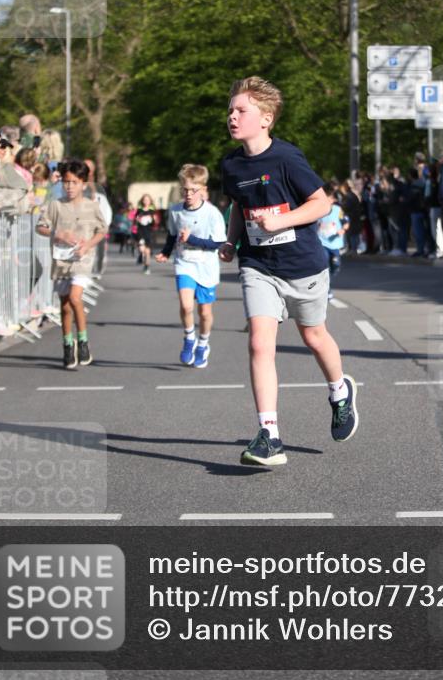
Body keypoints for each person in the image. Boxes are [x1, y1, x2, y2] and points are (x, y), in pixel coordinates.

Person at [220, 75, 358, 467]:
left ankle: (339, 392)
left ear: (265, 118)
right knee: (260, 343)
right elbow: (239, 206)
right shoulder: (230, 164)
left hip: (303, 266)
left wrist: (281, 222)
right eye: (230, 110)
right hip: (258, 264)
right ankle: (269, 434)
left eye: (241, 110)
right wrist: (231, 241)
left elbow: (321, 204)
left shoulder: (287, 158)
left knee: (314, 336)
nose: (232, 116)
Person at [36, 159, 107, 369]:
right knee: (65, 306)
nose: (70, 187)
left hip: (82, 260)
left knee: (76, 298)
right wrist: (57, 233)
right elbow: (40, 227)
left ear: (83, 184)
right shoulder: (55, 205)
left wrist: (88, 246)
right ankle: (68, 343)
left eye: (75, 182)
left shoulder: (91, 206)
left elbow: (101, 230)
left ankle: (83, 340)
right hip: (61, 261)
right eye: (67, 182)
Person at [156, 164, 226, 369]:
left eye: (193, 190)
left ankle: (203, 344)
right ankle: (189, 338)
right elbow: (171, 234)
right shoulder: (175, 211)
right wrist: (165, 252)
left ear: (203, 189)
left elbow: (218, 243)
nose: (188, 194)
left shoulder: (212, 214)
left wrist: (193, 239)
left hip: (206, 266)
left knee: (204, 312)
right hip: (184, 263)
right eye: (184, 190)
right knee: (186, 306)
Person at [316, 181, 349, 300]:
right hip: (322, 242)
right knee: (325, 265)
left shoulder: (337, 210)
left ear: (333, 199)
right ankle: (328, 289)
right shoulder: (319, 210)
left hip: (334, 244)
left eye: (329, 198)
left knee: (335, 265)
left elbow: (346, 222)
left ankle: (330, 278)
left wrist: (343, 230)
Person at [134, 193, 156, 274]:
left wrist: (154, 219)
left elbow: (154, 224)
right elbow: (135, 220)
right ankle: (140, 255)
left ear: (150, 201)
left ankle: (147, 267)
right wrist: (137, 220)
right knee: (141, 249)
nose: (146, 201)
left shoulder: (152, 211)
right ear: (142, 201)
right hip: (141, 232)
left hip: (149, 232)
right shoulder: (139, 211)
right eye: (144, 200)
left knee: (147, 251)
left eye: (148, 200)